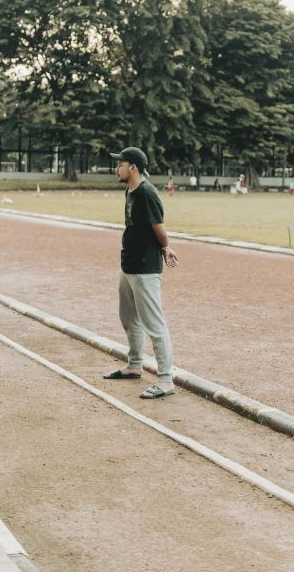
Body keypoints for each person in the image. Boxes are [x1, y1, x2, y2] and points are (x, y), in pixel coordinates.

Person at [104, 147, 179, 399]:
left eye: (120, 164)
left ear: (133, 167)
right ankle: (135, 365)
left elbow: (159, 228)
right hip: (129, 265)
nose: (117, 168)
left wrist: (166, 248)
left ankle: (166, 380)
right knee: (128, 317)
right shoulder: (130, 190)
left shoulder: (147, 193)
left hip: (145, 268)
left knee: (154, 323)